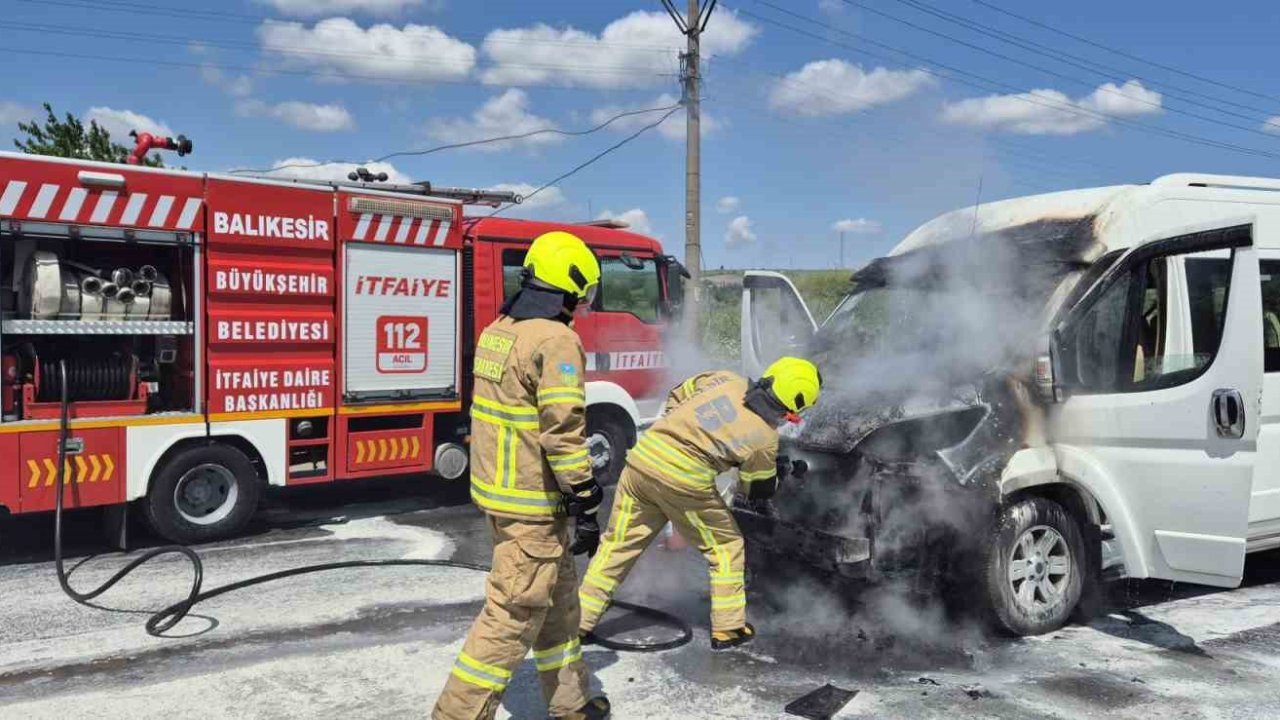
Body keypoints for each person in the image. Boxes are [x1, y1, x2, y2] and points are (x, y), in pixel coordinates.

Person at [433, 231, 611, 720]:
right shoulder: (557, 340)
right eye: (585, 293)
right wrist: (587, 494)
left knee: (559, 609)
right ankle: (455, 714)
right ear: (571, 286)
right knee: (510, 619)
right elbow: (562, 431)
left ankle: (569, 703)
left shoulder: (500, 329)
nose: (584, 304)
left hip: (501, 499)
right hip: (534, 508)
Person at [577, 358, 822, 650]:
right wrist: (775, 471)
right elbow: (757, 489)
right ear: (792, 409)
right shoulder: (764, 437)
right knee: (726, 547)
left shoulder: (724, 379)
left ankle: (579, 623)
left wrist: (678, 432)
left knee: (617, 545)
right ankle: (729, 628)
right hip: (683, 484)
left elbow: (679, 393)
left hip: (642, 463)